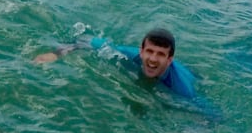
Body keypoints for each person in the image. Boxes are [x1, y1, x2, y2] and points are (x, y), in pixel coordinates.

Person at [34, 27, 197, 98]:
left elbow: (208, 116)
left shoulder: (182, 88)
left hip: (191, 74)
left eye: (161, 54)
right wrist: (56, 54)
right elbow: (87, 41)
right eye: (149, 51)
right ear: (141, 51)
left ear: (170, 59)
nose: (153, 59)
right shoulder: (129, 54)